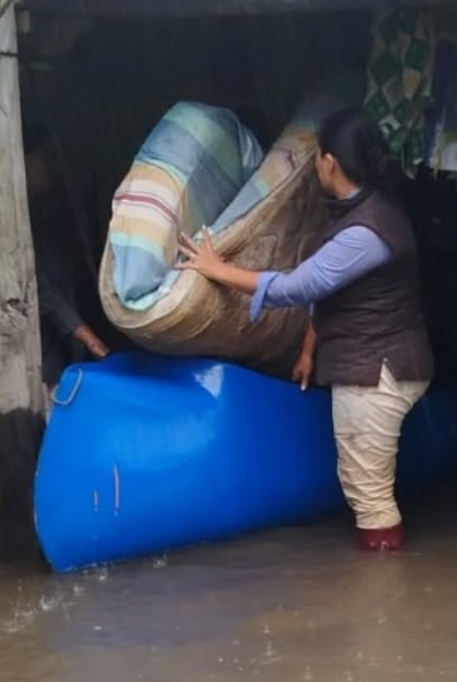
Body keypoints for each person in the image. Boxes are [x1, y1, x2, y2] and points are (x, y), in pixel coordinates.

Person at [177, 108, 434, 552]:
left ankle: (383, 601)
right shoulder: (369, 210)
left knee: (367, 494)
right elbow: (331, 294)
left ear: (330, 162)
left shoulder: (365, 231)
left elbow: (301, 286)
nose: (315, 164)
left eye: (316, 156)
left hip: (376, 373)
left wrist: (217, 268)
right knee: (365, 485)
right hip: (383, 363)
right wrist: (309, 350)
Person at [0, 124, 109, 525]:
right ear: (24, 163)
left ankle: (13, 561)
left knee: (27, 466)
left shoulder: (47, 214)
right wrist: (84, 333)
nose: (50, 170)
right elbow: (45, 290)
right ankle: (11, 549)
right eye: (44, 162)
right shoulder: (16, 219)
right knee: (15, 471)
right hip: (29, 368)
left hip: (48, 361)